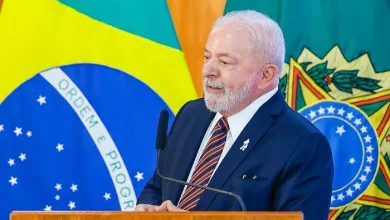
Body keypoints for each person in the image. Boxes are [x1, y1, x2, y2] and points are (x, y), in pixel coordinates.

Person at [135, 10, 334, 220]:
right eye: (207, 57)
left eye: (225, 62)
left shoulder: (303, 144)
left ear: (267, 75)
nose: (207, 70)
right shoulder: (191, 114)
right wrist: (146, 209)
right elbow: (158, 186)